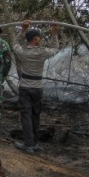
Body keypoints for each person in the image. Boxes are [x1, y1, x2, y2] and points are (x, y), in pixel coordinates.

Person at [13, 20, 59, 153]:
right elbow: (55, 49)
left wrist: (22, 29)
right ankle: (33, 143)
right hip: (37, 88)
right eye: (38, 38)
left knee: (26, 115)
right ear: (35, 39)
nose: (40, 39)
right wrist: (54, 34)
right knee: (35, 115)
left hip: (25, 88)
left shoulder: (23, 52)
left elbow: (15, 43)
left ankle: (29, 144)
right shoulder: (42, 52)